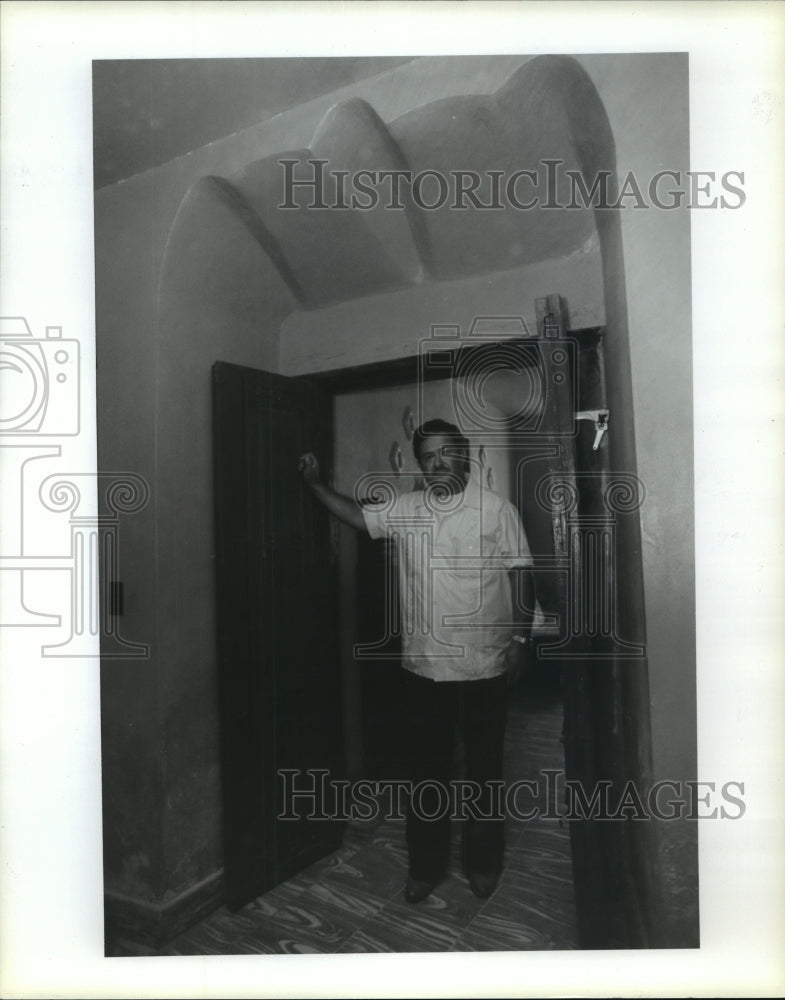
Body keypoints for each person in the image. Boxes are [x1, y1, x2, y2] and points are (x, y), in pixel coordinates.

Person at [298, 419, 535, 903]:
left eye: (446, 452)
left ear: (464, 454)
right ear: (421, 464)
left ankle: (483, 863)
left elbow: (522, 574)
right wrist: (315, 484)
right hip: (424, 668)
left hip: (483, 664)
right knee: (427, 773)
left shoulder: (496, 510)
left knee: (483, 772)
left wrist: (520, 640)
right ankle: (425, 868)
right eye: (428, 457)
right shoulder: (406, 509)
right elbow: (358, 516)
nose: (438, 463)